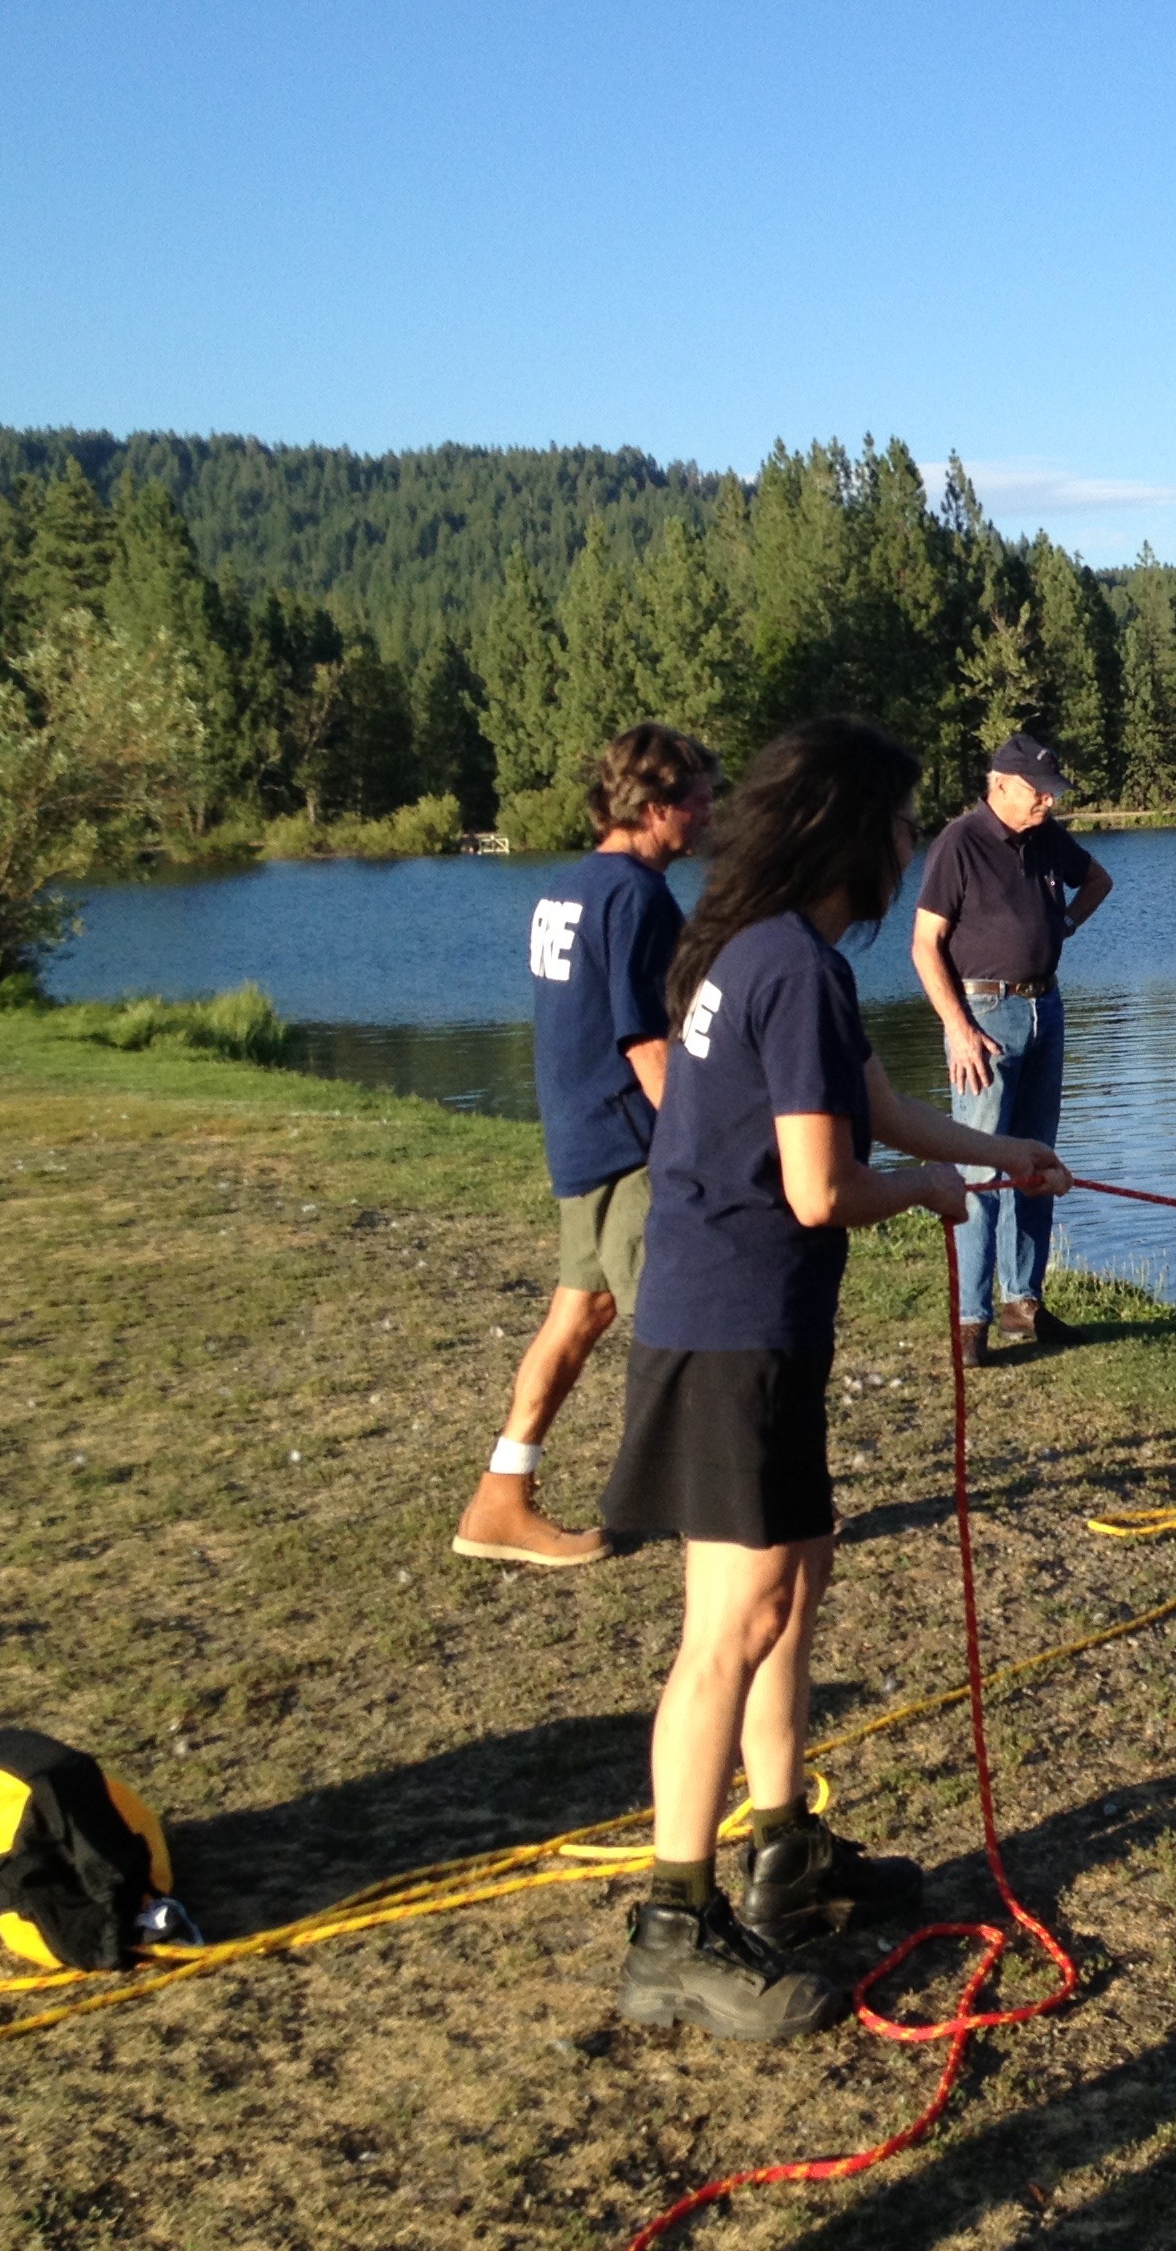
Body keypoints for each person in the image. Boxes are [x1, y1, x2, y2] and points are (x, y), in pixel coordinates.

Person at [600, 716, 1073, 2042]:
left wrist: (997, 1152)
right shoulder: (787, 966)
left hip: (759, 1326)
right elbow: (823, 1186)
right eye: (902, 824)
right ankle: (674, 1931)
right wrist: (931, 1192)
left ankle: (784, 1854)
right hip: (729, 1330)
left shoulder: (759, 950)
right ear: (849, 833)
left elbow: (866, 1106)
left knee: (794, 1580)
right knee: (729, 1627)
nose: (912, 847)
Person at [456, 723, 716, 1569]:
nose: (710, 816)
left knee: (580, 1313)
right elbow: (646, 1047)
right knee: (690, 1322)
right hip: (626, 1142)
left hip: (576, 1132)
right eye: (700, 800)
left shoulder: (568, 887)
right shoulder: (636, 897)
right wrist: (702, 1144)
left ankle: (501, 1495)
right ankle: (731, 1507)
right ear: (657, 806)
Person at [910, 733, 1114, 1370]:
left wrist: (1063, 925)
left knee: (1033, 1161)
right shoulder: (960, 843)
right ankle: (971, 1323)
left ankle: (1023, 1303)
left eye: (1051, 790)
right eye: (1036, 790)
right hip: (984, 1014)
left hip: (1043, 1006)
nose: (1048, 801)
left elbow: (1098, 880)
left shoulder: (1046, 838)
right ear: (999, 783)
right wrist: (960, 1028)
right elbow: (924, 945)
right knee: (978, 1171)